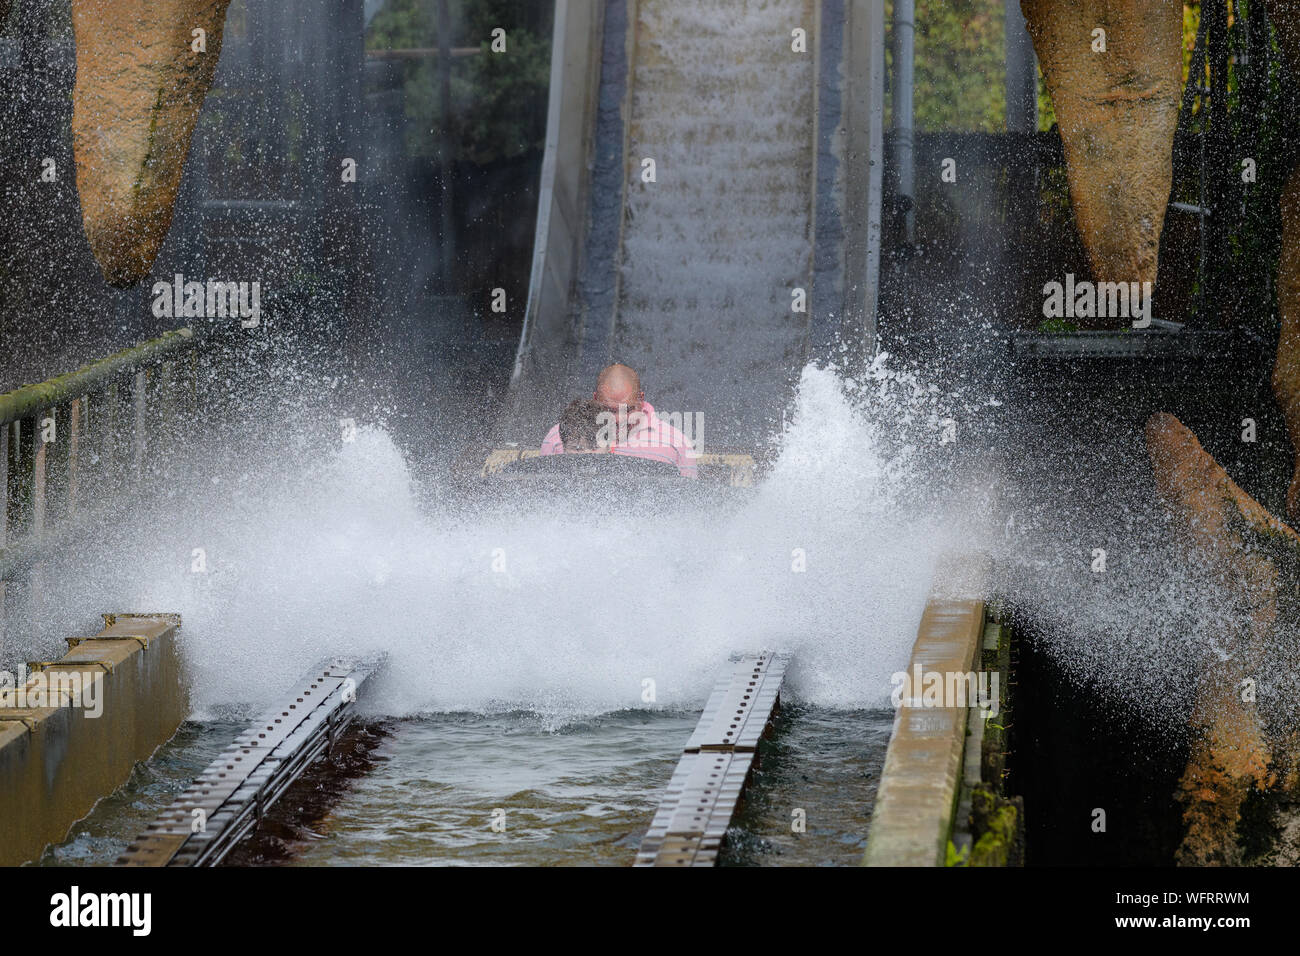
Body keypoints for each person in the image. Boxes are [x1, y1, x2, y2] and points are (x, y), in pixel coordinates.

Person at [541, 363, 699, 478]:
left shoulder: (676, 442)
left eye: (628, 409)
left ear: (641, 399)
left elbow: (687, 503)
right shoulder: (560, 435)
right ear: (595, 399)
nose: (618, 419)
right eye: (609, 410)